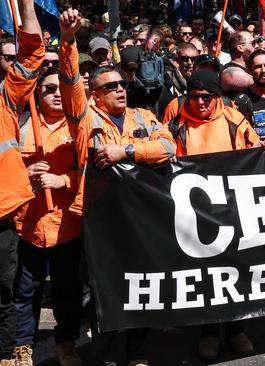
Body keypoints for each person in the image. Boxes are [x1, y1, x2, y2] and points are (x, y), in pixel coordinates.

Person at [57, 9, 175, 365]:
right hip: (99, 219)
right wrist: (66, 41)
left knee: (140, 286)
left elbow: (168, 147)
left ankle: (137, 354)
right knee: (103, 290)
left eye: (122, 84)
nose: (120, 89)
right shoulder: (85, 118)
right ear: (95, 94)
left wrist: (125, 150)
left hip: (139, 219)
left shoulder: (143, 117)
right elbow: (70, 84)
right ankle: (107, 354)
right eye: (111, 87)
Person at [166, 70, 265, 360]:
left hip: (232, 209)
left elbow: (253, 152)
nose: (200, 102)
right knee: (205, 276)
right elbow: (163, 159)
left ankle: (237, 330)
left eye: (207, 96)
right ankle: (209, 333)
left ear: (217, 96)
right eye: (194, 97)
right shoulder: (176, 126)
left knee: (235, 271)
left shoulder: (234, 120)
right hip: (195, 216)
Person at [12, 66, 84, 366]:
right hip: (27, 225)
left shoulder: (80, 125)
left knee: (68, 292)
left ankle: (66, 345)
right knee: (25, 291)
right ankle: (21, 347)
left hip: (67, 225)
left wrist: (63, 180)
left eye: (59, 88)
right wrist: (24, 173)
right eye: (48, 89)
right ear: (36, 94)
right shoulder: (21, 125)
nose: (56, 93)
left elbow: (93, 172)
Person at [0, 0, 43, 364]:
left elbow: (31, 54)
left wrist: (26, 4)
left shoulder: (5, 97)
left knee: (4, 296)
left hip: (2, 217)